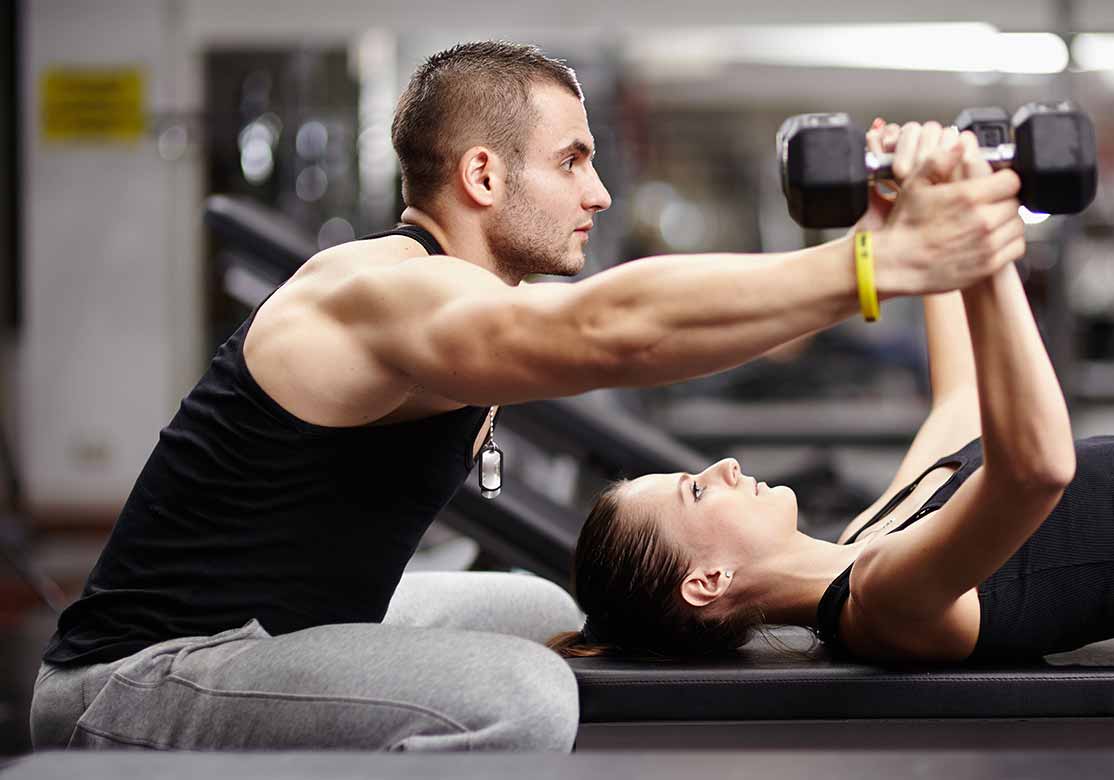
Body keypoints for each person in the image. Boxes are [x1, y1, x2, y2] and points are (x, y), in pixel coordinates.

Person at [30, 41, 1028, 751]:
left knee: (535, 604)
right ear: (480, 174)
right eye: (572, 162)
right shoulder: (377, 292)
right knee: (526, 698)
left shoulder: (455, 294)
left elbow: (671, 325)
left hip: (277, 631)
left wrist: (890, 248)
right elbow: (607, 329)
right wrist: (875, 263)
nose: (596, 194)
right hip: (140, 676)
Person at [550, 121, 1114, 665]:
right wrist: (980, 240)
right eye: (696, 489)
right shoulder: (882, 602)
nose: (725, 465)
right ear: (708, 581)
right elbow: (1035, 469)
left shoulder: (868, 538)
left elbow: (960, 404)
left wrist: (899, 227)